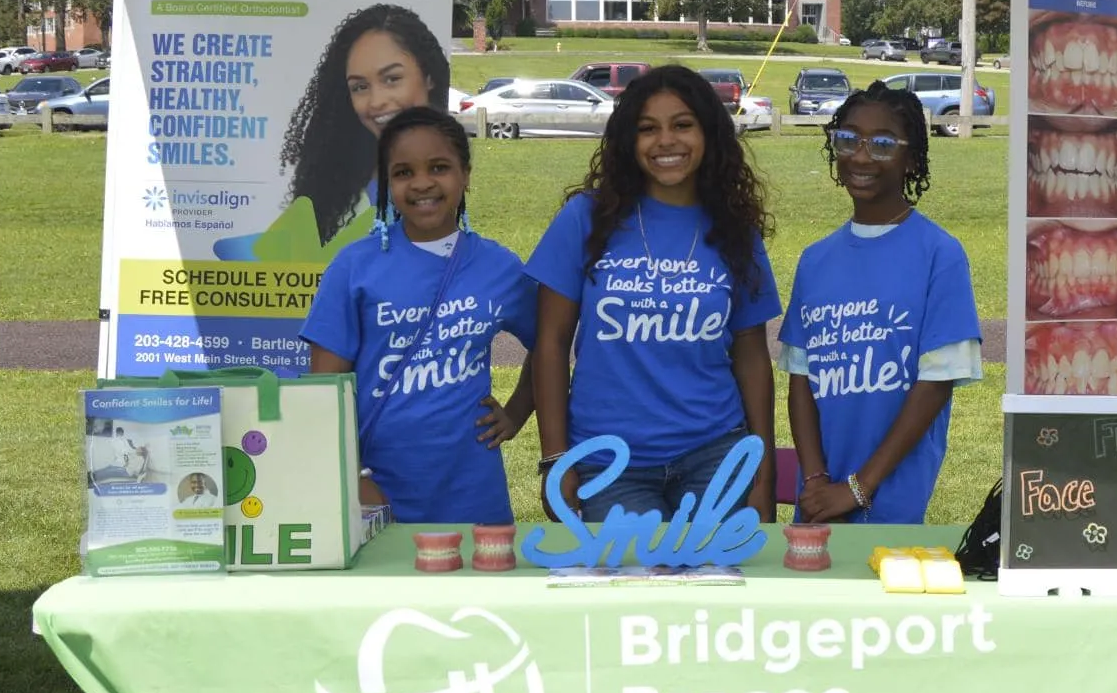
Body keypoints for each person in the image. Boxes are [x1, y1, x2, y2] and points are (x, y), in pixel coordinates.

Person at [528, 65, 779, 523]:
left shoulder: (734, 228)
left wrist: (762, 469)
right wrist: (554, 459)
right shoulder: (586, 219)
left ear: (709, 134)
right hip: (609, 461)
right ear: (629, 140)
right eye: (648, 129)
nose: (666, 141)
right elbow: (550, 343)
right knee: (634, 571)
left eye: (682, 125)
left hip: (716, 453)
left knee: (715, 570)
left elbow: (751, 353)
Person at [299, 106, 534, 524]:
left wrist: (516, 413)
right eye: (404, 172)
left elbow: (550, 344)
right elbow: (322, 391)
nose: (422, 183)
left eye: (439, 167)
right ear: (387, 183)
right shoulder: (354, 267)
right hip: (376, 492)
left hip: (473, 494)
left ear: (465, 174)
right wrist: (353, 478)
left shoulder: (499, 267)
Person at [782, 81, 982, 524]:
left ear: (912, 159)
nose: (862, 156)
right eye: (849, 139)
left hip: (892, 502)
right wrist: (815, 480)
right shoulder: (815, 260)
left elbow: (935, 384)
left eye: (883, 144)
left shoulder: (940, 254)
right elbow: (801, 380)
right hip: (819, 506)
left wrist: (858, 488)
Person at [227, 3, 454, 263]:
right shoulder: (336, 196)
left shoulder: (453, 178)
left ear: (428, 76)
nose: (376, 101)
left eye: (392, 79)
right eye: (360, 87)